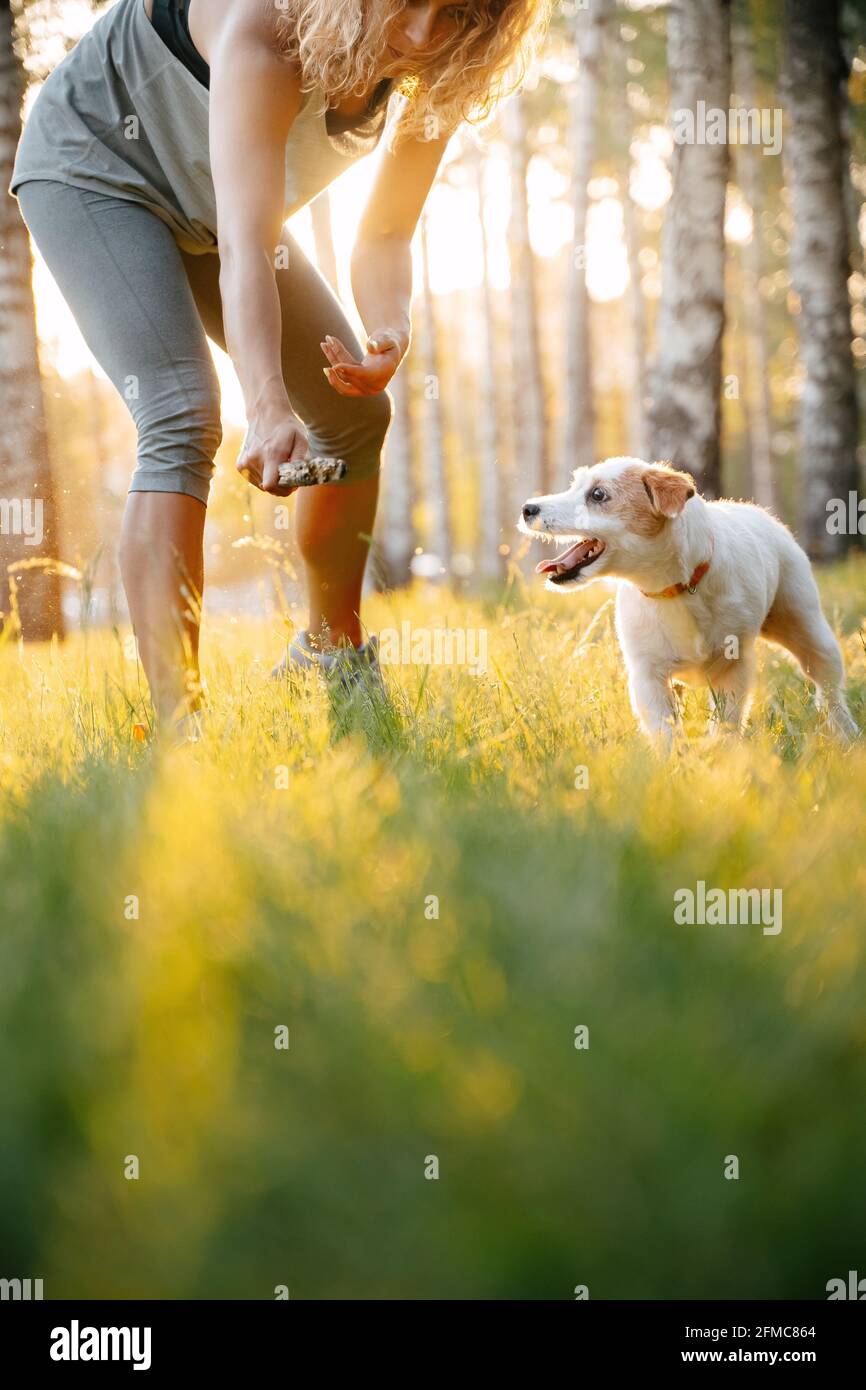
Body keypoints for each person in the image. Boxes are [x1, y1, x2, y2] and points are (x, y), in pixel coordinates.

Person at [9, 0, 551, 733]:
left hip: (212, 215)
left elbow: (387, 231)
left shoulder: (439, 70)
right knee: (181, 411)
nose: (423, 34)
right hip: (95, 171)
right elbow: (245, 248)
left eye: (456, 13)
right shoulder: (268, 27)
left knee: (355, 411)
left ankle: (330, 655)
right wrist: (264, 403)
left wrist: (389, 329)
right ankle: (181, 727)